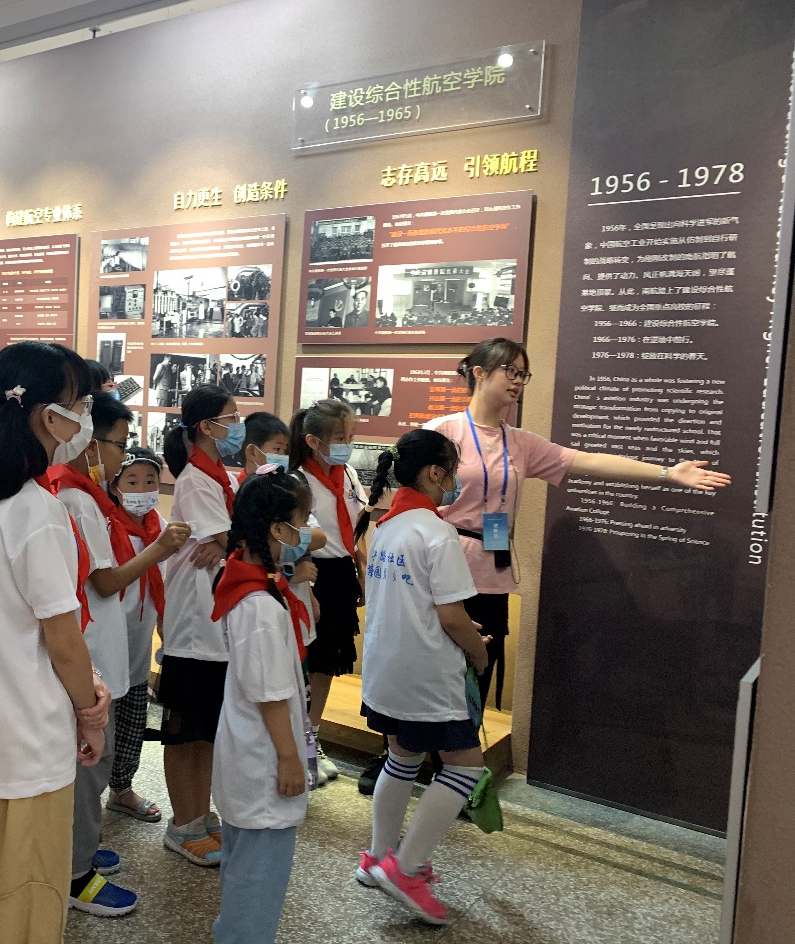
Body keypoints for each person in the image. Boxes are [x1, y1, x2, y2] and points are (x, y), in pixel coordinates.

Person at [424, 338, 731, 711]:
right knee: (433, 674)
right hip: (444, 568)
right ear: (479, 373)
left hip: (492, 568)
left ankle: (464, 746)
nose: (518, 381)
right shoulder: (441, 432)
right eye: (510, 371)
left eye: (523, 374)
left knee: (477, 674)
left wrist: (667, 473)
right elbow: (413, 503)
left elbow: (589, 461)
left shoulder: (519, 443)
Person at [0, 341, 109, 944]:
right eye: (80, 403)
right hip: (27, 740)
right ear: (47, 416)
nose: (85, 416)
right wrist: (91, 714)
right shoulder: (36, 510)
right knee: (28, 903)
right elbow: (62, 640)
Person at [51, 393, 189, 916]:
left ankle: (79, 849)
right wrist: (160, 550)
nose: (122, 455)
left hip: (104, 650)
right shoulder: (76, 501)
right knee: (89, 761)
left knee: (94, 760)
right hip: (88, 653)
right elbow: (105, 582)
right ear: (90, 440)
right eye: (119, 444)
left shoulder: (88, 498)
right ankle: (74, 873)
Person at [354, 429, 489, 926]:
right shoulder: (437, 532)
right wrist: (478, 652)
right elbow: (452, 616)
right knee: (465, 768)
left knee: (402, 757)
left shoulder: (388, 525)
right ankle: (406, 869)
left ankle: (377, 858)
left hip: (387, 670)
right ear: (435, 473)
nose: (455, 480)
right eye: (452, 471)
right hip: (427, 677)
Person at [210, 467, 312, 944]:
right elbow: (270, 694)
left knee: (243, 867)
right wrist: (289, 758)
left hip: (247, 749)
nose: (305, 532)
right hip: (264, 758)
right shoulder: (260, 607)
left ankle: (230, 933)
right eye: (301, 522)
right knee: (258, 879)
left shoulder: (250, 586)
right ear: (277, 529)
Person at [158, 384, 242, 866]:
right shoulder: (195, 479)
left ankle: (200, 813)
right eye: (232, 418)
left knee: (207, 728)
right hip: (194, 624)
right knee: (184, 728)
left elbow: (230, 539)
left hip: (214, 621)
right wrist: (229, 541)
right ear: (207, 427)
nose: (238, 426)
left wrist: (228, 541)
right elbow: (233, 538)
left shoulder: (218, 476)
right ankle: (182, 823)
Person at [289, 399, 369, 785]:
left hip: (342, 572)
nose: (347, 445)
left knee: (328, 664)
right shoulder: (298, 480)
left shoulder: (348, 473)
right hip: (311, 573)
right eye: (339, 438)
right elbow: (298, 538)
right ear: (313, 441)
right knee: (306, 661)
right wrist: (307, 589)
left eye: (350, 437)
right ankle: (294, 744)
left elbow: (356, 527)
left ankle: (312, 737)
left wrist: (362, 570)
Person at [104, 446, 183, 824]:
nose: (142, 489)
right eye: (132, 481)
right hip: (106, 648)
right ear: (115, 486)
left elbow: (166, 581)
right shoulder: (106, 526)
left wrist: (166, 623)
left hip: (138, 644)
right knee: (102, 725)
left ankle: (122, 789)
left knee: (132, 723)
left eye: (150, 481)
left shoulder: (160, 528)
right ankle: (85, 799)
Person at [236, 412, 290, 486]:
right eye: (277, 449)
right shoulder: (238, 489)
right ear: (252, 452)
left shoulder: (281, 485)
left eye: (285, 450)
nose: (283, 456)